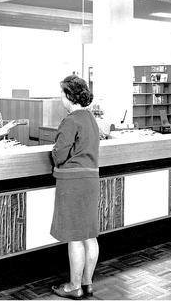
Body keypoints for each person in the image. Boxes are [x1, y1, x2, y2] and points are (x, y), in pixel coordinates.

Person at [50, 75, 100, 300]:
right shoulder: (90, 117)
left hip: (72, 182)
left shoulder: (71, 120)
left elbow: (59, 155)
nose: (61, 97)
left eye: (62, 93)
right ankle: (88, 283)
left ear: (70, 96)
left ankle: (73, 286)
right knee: (89, 235)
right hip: (90, 180)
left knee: (75, 237)